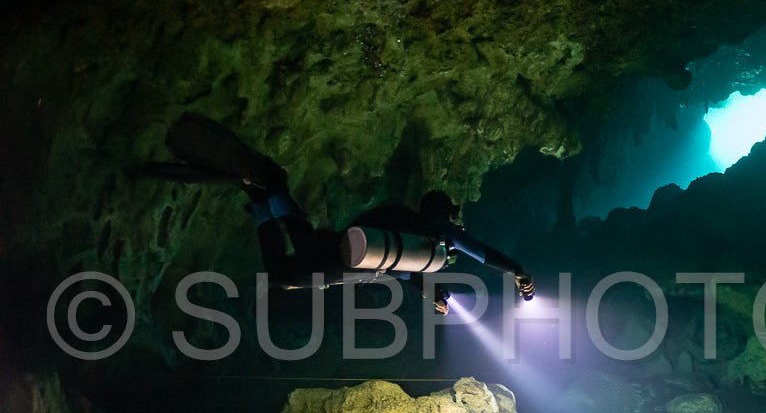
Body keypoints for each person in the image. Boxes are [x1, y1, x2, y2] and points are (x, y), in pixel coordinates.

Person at [138, 112, 535, 314]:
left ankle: (264, 200)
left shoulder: (413, 233)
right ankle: (271, 191)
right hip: (351, 264)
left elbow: (406, 272)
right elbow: (483, 253)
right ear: (445, 212)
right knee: (297, 258)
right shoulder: (438, 231)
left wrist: (434, 294)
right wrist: (518, 271)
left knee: (289, 269)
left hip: (353, 252)